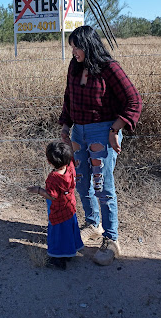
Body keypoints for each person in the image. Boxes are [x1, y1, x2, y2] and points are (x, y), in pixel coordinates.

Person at [59, 25, 142, 265]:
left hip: (101, 131)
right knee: (82, 179)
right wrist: (66, 125)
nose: (73, 51)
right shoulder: (75, 67)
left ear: (89, 46)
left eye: (77, 47)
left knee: (102, 186)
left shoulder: (109, 68)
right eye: (72, 47)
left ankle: (112, 240)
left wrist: (115, 129)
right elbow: (68, 98)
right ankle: (93, 224)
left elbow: (134, 100)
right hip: (79, 132)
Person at [28, 141, 84, 269]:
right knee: (69, 230)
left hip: (58, 211)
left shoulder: (53, 178)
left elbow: (52, 196)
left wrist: (38, 190)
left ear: (49, 161)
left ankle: (58, 259)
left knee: (57, 234)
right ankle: (69, 252)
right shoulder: (70, 167)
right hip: (70, 207)